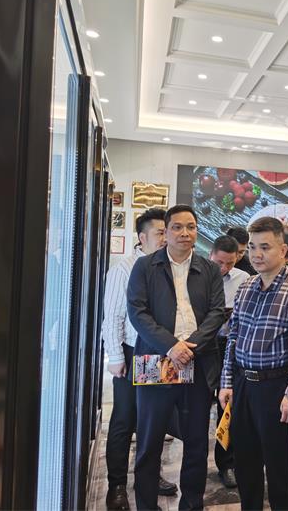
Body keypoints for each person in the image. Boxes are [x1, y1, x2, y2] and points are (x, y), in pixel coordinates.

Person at [127, 205, 225, 510]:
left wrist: (190, 347)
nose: (185, 233)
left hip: (197, 360)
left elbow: (217, 312)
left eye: (191, 227)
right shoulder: (145, 266)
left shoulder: (209, 269)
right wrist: (171, 346)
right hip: (156, 361)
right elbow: (138, 312)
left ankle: (192, 504)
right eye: (178, 227)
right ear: (166, 232)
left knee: (196, 442)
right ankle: (146, 505)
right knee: (149, 441)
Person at [101, 208, 178, 510]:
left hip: (160, 352)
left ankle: (149, 476)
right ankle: (117, 485)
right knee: (125, 418)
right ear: (142, 237)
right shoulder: (124, 268)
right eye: (160, 232)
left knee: (154, 419)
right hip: (132, 352)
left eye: (166, 232)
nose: (165, 237)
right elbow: (112, 316)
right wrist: (115, 355)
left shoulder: (168, 266)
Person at [218, 217, 288, 510]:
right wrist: (227, 382)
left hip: (275, 386)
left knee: (279, 466)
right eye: (252, 247)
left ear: (283, 250)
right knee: (245, 462)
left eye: (265, 247)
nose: (257, 254)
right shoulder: (246, 286)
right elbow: (233, 336)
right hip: (243, 385)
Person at [209, 235, 250, 489]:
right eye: (220, 263)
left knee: (228, 405)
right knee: (198, 404)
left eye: (230, 263)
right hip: (204, 346)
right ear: (210, 255)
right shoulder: (199, 275)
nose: (224, 268)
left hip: (230, 344)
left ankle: (227, 463)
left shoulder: (244, 280)